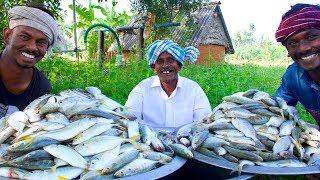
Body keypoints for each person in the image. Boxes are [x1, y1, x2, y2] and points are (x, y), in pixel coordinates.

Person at [125, 40, 212, 128]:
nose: (165, 65)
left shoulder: (193, 89)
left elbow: (204, 122)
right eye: (160, 61)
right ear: (154, 67)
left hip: (186, 139)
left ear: (179, 65)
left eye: (170, 60)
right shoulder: (142, 88)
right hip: (151, 140)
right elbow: (129, 118)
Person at [0, 5, 65, 117]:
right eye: (24, 37)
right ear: (8, 35)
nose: (32, 47)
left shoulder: (41, 87)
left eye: (41, 42)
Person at [275, 3, 320, 125]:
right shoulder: (293, 76)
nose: (302, 49)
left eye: (311, 37)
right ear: (288, 52)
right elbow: (278, 108)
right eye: (292, 43)